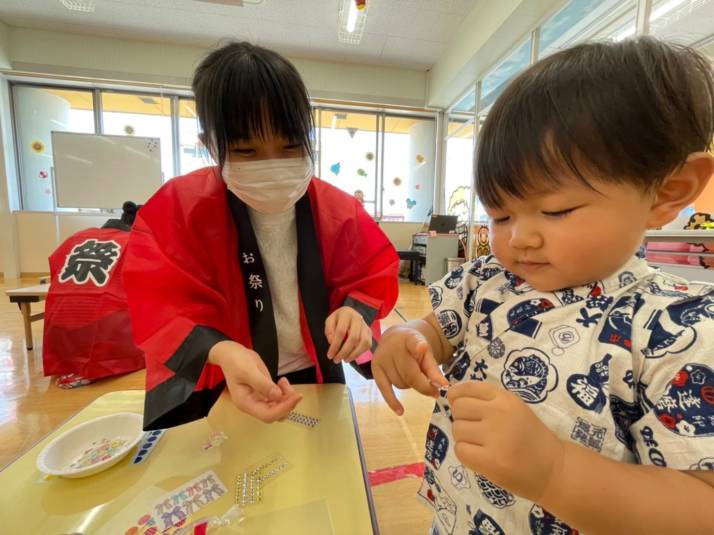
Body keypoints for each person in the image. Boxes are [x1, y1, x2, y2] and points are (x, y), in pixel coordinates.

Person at [372, 38, 714, 534]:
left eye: (555, 211)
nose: (519, 238)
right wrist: (410, 339)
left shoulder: (677, 329)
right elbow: (439, 329)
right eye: (500, 214)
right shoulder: (490, 278)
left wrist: (556, 470)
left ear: (667, 191)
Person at [123, 41, 399, 431]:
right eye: (247, 151)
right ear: (210, 146)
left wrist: (354, 313)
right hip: (220, 375)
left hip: (312, 372)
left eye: (289, 146)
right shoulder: (180, 209)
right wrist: (222, 351)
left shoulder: (337, 210)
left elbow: (368, 274)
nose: (273, 163)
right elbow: (160, 300)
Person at [43, 201, 145, 389]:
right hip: (102, 328)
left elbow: (55, 269)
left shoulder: (77, 237)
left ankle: (70, 361)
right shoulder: (136, 243)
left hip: (57, 326)